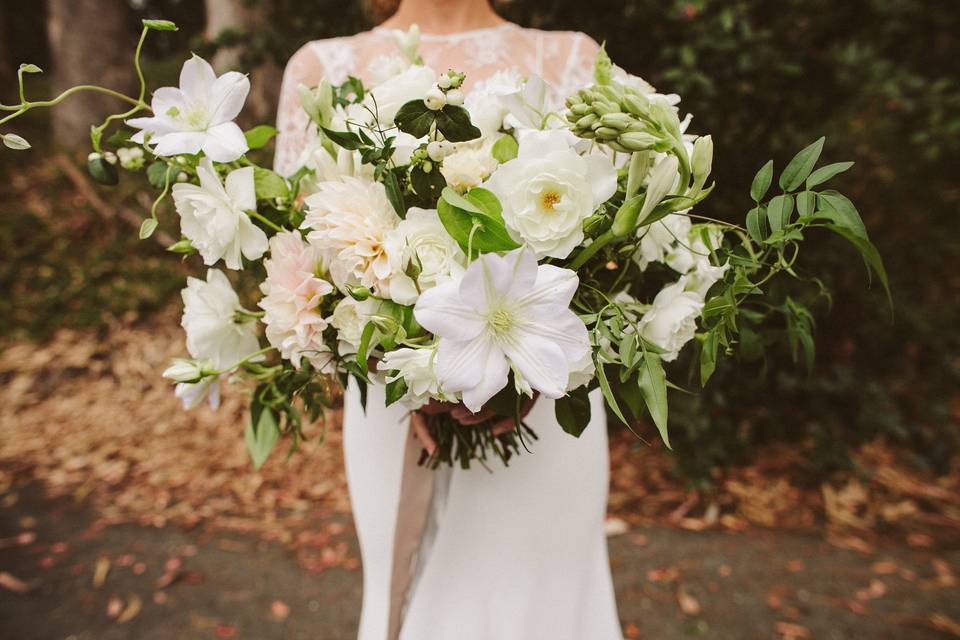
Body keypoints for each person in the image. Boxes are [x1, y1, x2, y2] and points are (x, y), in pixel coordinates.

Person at [274, 2, 622, 638]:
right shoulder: (321, 70)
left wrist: (522, 377)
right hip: (393, 411)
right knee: (417, 599)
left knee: (546, 604)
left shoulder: (572, 60)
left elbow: (619, 254)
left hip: (547, 403)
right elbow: (300, 262)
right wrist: (415, 370)